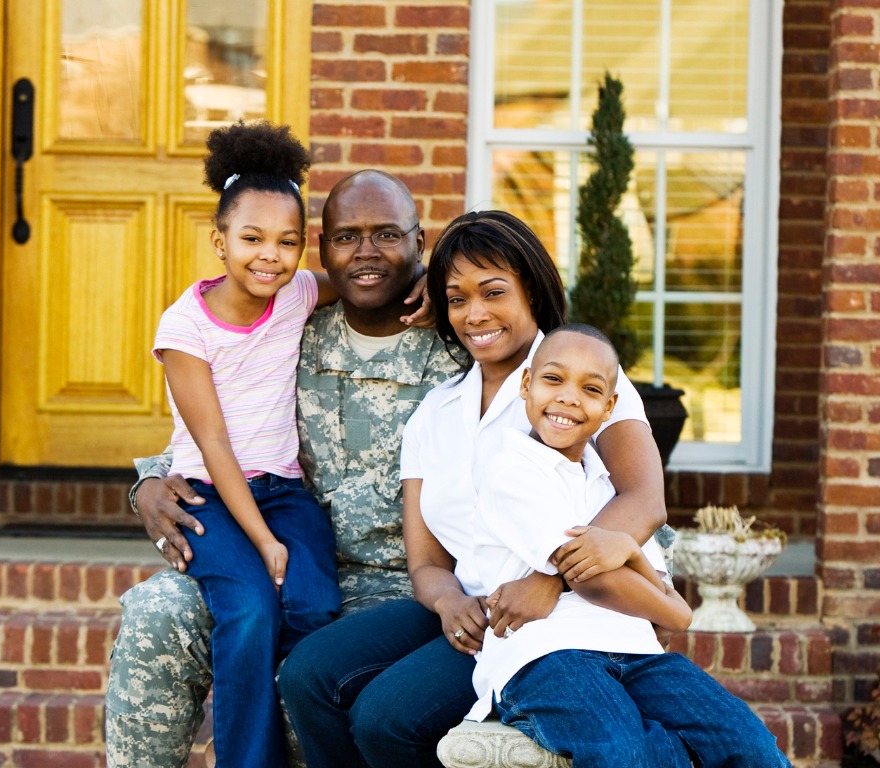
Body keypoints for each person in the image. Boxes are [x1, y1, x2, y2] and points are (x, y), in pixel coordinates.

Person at [277, 211, 673, 768]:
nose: (475, 314)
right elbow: (427, 560)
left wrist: (549, 577)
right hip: (472, 601)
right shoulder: (438, 409)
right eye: (456, 298)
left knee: (386, 718)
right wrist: (446, 602)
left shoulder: (577, 381)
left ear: (531, 290)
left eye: (493, 292)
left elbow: (642, 499)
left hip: (552, 613)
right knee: (307, 674)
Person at [105, 169, 463, 768]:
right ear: (322, 251)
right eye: (347, 238)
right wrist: (147, 481)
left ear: (419, 242)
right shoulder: (294, 321)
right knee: (158, 611)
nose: (366, 253)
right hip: (275, 544)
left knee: (309, 644)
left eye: (387, 237)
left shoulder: (459, 342)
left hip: (411, 580)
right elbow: (220, 429)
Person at [456, 323, 791, 767]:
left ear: (610, 406)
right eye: (553, 379)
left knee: (751, 747)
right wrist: (676, 609)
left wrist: (630, 553)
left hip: (636, 650)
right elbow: (598, 581)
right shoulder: (510, 467)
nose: (569, 398)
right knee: (623, 752)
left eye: (590, 389)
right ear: (526, 384)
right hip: (547, 655)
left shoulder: (608, 481)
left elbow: (643, 578)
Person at [152, 120, 343, 768]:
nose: (271, 255)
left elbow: (363, 276)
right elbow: (211, 444)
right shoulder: (184, 328)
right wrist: (262, 541)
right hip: (210, 493)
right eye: (252, 238)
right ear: (219, 241)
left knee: (314, 603)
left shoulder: (296, 292)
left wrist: (426, 290)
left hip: (284, 490)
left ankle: (263, 702)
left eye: (289, 242)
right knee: (252, 610)